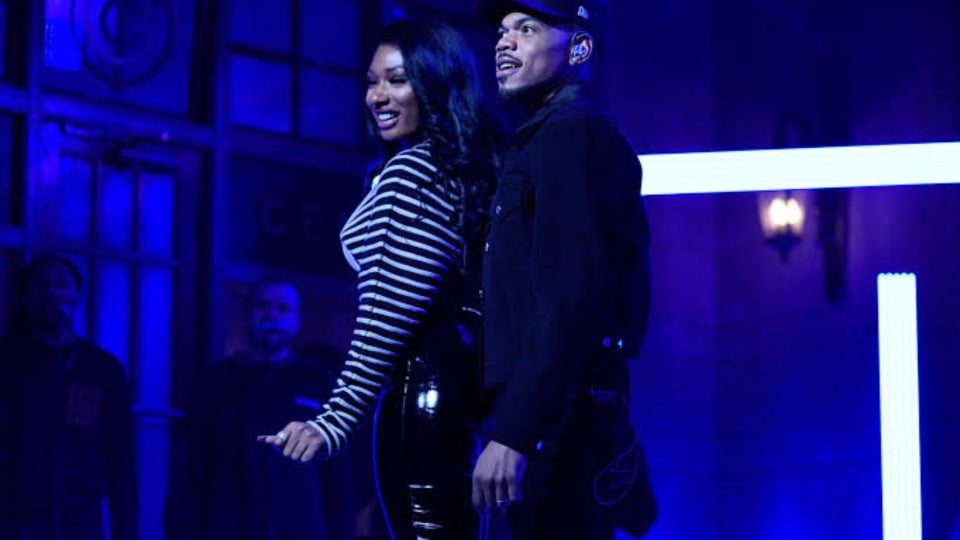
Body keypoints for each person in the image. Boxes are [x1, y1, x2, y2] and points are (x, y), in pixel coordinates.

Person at [258, 20, 497, 539]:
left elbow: (384, 318)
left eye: (397, 80)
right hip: (458, 396)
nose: (377, 96)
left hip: (422, 397)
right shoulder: (464, 170)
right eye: (371, 81)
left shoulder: (414, 173)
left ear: (434, 83)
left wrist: (333, 422)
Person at [471, 0, 655, 538]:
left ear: (578, 48)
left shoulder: (571, 136)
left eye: (526, 29)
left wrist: (516, 431)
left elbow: (571, 298)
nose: (504, 42)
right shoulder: (542, 141)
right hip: (554, 416)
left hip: (559, 422)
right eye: (502, 30)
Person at [164, 278, 363, 539]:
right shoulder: (216, 382)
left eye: (282, 308)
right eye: (262, 306)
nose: (271, 315)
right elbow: (191, 468)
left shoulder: (318, 381)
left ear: (297, 320)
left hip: (302, 529)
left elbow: (338, 474)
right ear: (247, 314)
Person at [0, 254, 138, 540]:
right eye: (42, 285)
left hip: (80, 518)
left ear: (76, 296)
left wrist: (126, 530)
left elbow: (121, 456)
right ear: (25, 298)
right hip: (15, 516)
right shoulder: (8, 360)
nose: (52, 292)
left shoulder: (102, 368)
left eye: (61, 284)